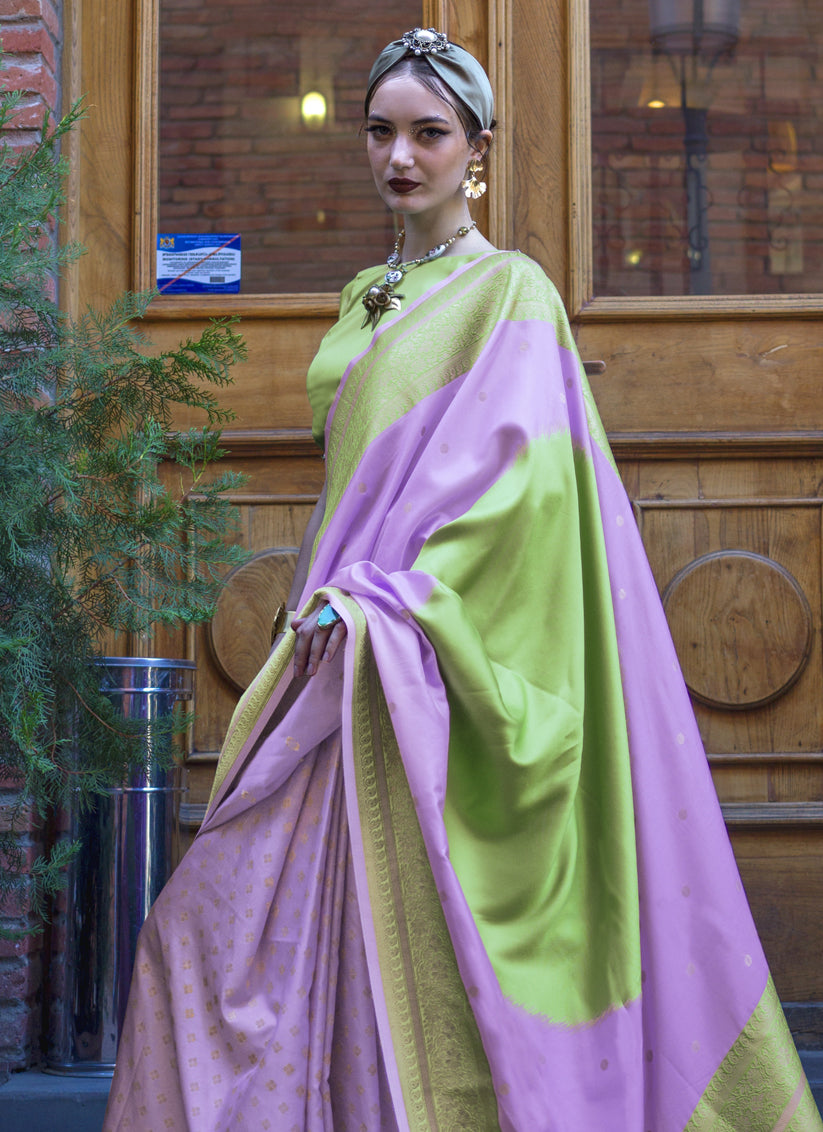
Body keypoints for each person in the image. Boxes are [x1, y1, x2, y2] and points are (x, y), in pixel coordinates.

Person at [104, 28, 822, 1132]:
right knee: (198, 937)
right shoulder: (362, 298)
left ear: (474, 151)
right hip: (330, 659)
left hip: (412, 653)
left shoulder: (511, 294)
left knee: (407, 938)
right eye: (382, 132)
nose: (402, 156)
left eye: (428, 134)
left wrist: (394, 608)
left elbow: (518, 498)